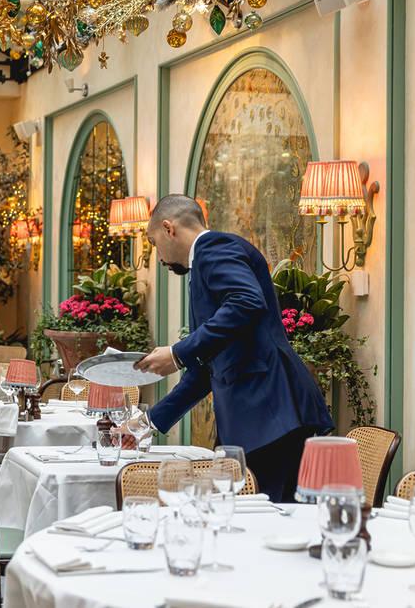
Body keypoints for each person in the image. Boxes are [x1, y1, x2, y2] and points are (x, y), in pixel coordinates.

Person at [133, 194, 334, 502]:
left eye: (153, 241)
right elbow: (204, 371)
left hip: (270, 413)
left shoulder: (213, 249)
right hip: (255, 420)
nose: (158, 257)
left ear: (168, 228)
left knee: (268, 522)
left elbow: (247, 301)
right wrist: (146, 423)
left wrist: (176, 353)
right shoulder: (208, 261)